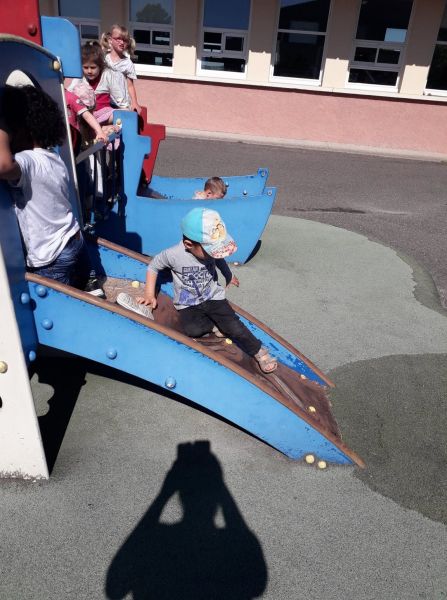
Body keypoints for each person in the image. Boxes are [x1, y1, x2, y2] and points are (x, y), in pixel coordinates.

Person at [119, 207, 277, 373]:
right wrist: (149, 294)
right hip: (188, 302)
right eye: (211, 250)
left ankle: (259, 352)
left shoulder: (210, 253)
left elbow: (219, 260)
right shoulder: (172, 255)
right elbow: (153, 266)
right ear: (189, 244)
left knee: (235, 327)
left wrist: (228, 275)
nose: (214, 254)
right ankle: (216, 326)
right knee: (193, 330)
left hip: (213, 296)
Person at [0, 84, 104, 296]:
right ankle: (92, 289)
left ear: (21, 130)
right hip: (73, 239)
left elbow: (3, 166)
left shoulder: (28, 160)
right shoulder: (53, 157)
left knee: (55, 302)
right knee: (83, 290)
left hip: (51, 255)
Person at [69, 41, 130, 126]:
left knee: (125, 113)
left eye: (93, 67)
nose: (89, 71)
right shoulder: (80, 76)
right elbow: (70, 93)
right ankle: (93, 126)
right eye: (85, 67)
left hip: (104, 114)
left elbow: (119, 97)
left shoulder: (107, 75)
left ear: (100, 66)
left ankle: (96, 126)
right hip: (86, 114)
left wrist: (124, 108)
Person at [101, 24, 142, 115]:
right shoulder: (103, 58)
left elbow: (130, 86)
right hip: (105, 101)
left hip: (121, 104)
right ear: (110, 40)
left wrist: (135, 102)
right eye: (118, 39)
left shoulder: (127, 63)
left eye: (125, 40)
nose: (122, 42)